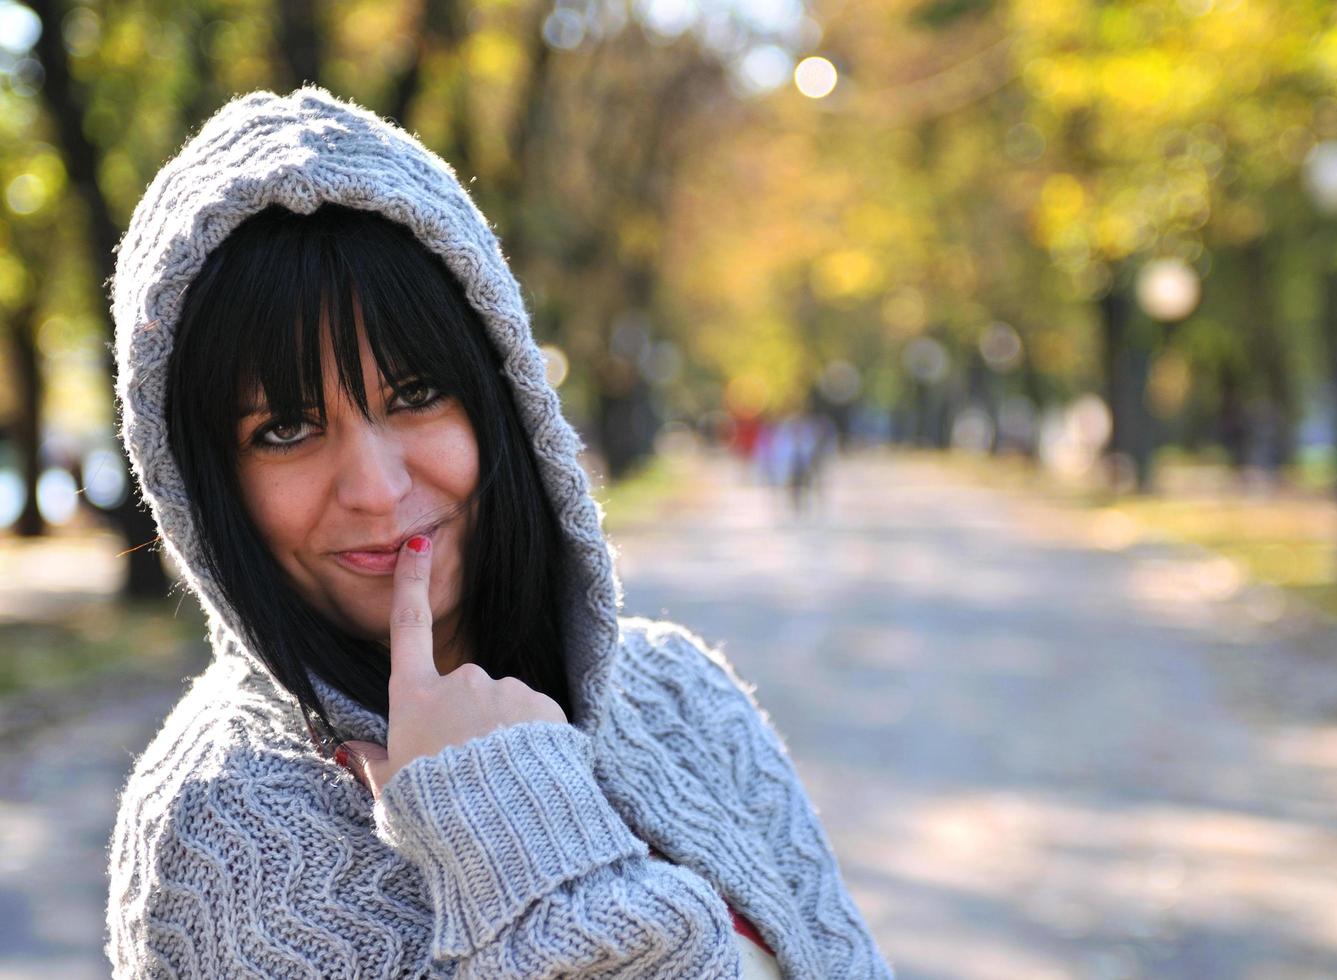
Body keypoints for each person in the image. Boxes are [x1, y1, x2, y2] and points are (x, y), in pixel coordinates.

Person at [104, 87, 891, 979]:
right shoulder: (227, 833)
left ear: (503, 398)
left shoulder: (680, 695)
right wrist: (517, 830)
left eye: (414, 394)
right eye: (284, 429)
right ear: (208, 489)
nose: (377, 487)